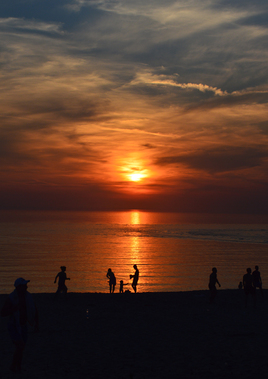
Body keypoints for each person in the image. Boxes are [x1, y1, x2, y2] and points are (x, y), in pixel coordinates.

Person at [1, 278, 38, 373]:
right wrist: (13, 309)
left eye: (26, 285)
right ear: (18, 287)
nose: (26, 286)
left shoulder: (27, 296)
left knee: (21, 348)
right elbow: (2, 313)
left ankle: (18, 367)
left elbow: (34, 309)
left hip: (23, 325)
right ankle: (13, 366)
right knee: (20, 346)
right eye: (24, 285)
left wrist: (36, 323)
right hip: (14, 326)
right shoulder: (12, 298)